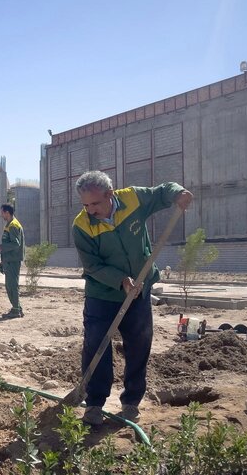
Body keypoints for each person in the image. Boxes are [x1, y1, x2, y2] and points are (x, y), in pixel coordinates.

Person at [72, 170, 193, 425]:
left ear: (110, 194)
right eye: (85, 205)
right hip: (102, 294)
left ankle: (130, 402)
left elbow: (162, 190)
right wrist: (120, 280)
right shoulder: (82, 226)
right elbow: (92, 266)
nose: (90, 210)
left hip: (140, 288)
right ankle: (94, 403)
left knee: (139, 344)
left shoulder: (133, 199)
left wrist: (178, 193)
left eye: (95, 203)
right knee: (96, 345)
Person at [0, 203, 25, 319]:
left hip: (13, 260)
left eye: (2, 212)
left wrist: (1, 247)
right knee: (10, 285)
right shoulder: (10, 224)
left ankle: (16, 310)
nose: (1, 215)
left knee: (12, 285)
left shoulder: (13, 225)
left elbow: (16, 243)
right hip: (9, 260)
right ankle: (17, 308)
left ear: (7, 212)